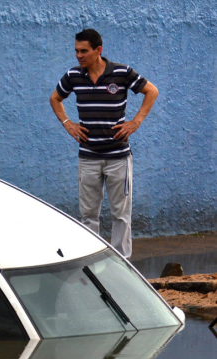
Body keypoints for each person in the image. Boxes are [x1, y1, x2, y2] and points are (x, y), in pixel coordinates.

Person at [50, 29, 158, 258]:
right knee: (88, 216)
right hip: (88, 157)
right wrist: (68, 123)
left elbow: (151, 91)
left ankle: (122, 263)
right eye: (76, 51)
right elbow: (55, 98)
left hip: (118, 157)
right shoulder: (73, 76)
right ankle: (91, 260)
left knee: (121, 215)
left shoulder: (122, 73)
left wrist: (135, 122)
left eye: (84, 51)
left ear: (98, 50)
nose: (79, 55)